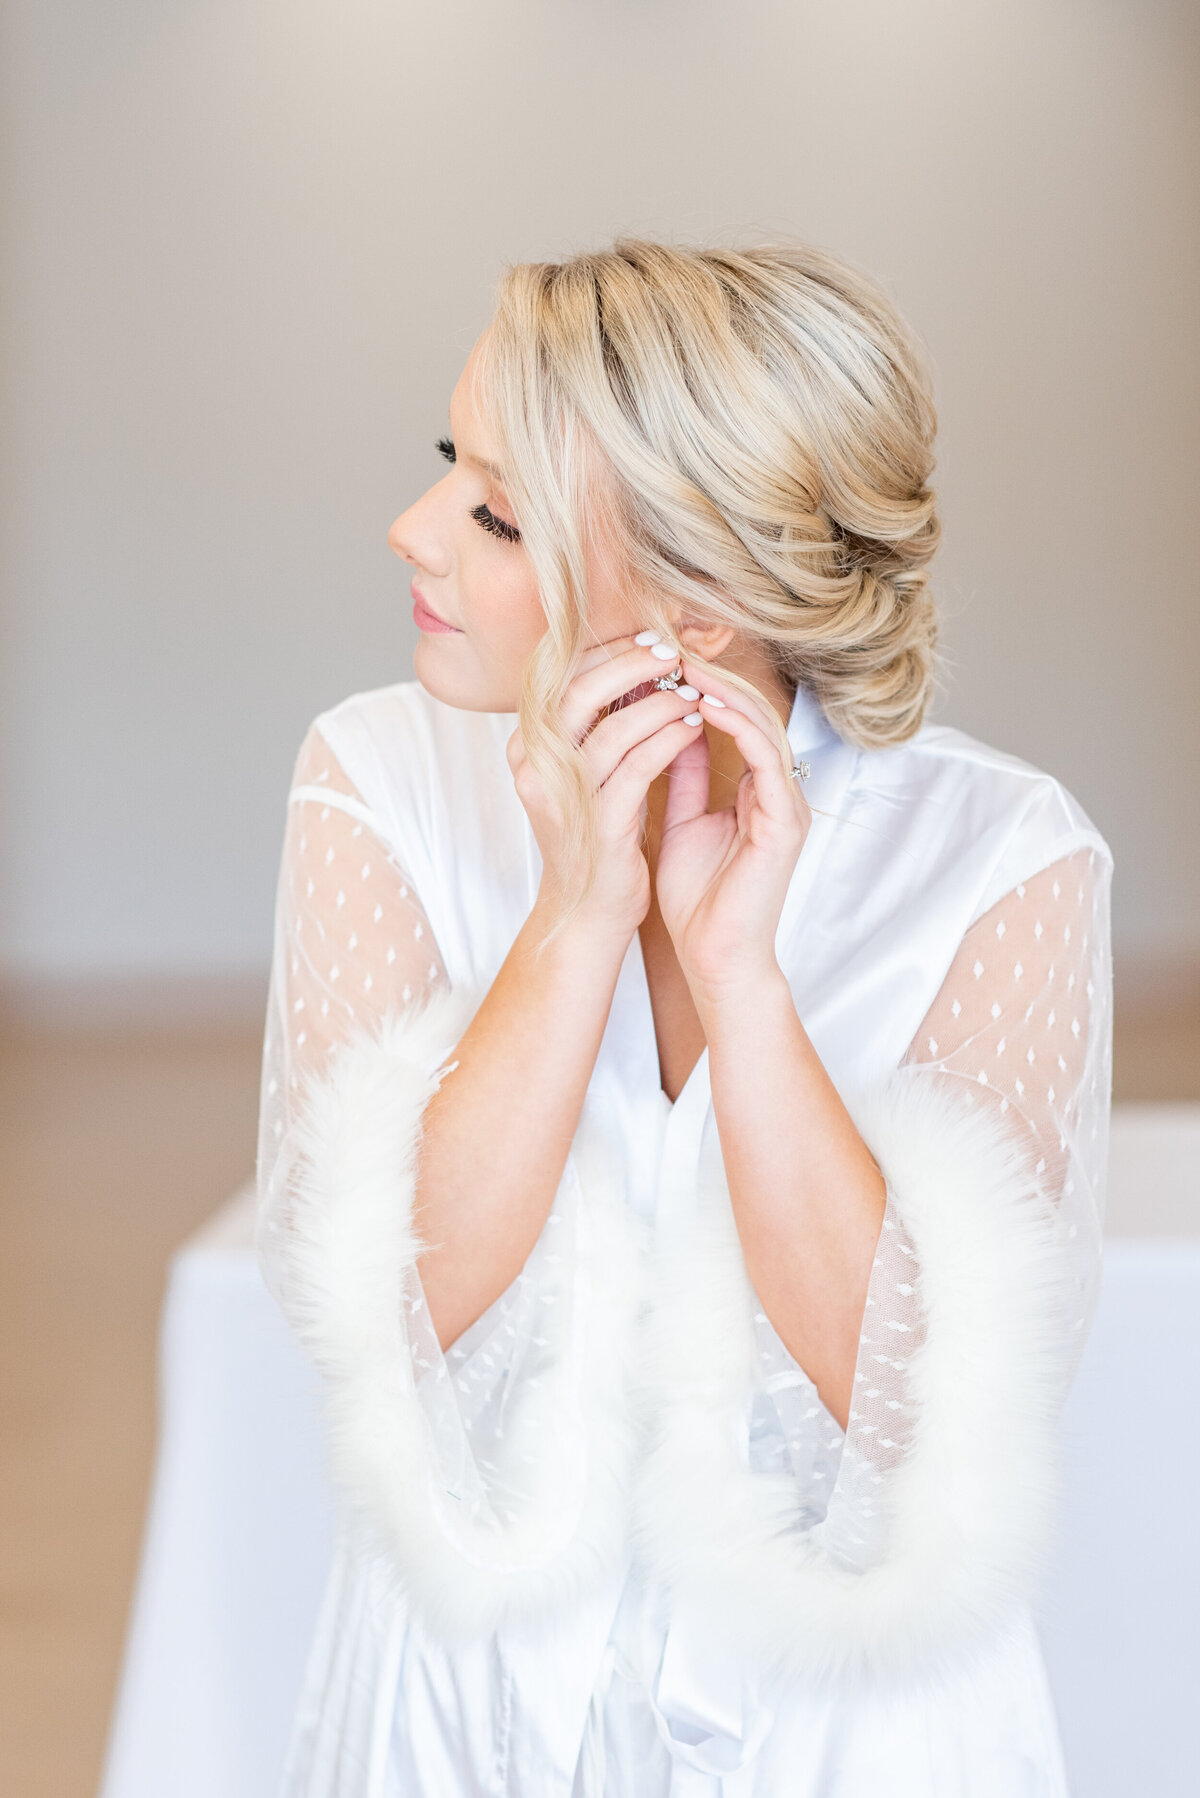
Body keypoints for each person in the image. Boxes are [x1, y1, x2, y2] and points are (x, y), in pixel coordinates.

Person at [255, 238, 1113, 1796]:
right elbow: (379, 1315)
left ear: (695, 615)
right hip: (462, 1710)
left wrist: (744, 986)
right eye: (453, 467)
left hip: (853, 1734)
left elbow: (919, 1410)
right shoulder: (375, 773)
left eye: (498, 512)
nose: (413, 530)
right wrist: (576, 919)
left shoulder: (1003, 854)